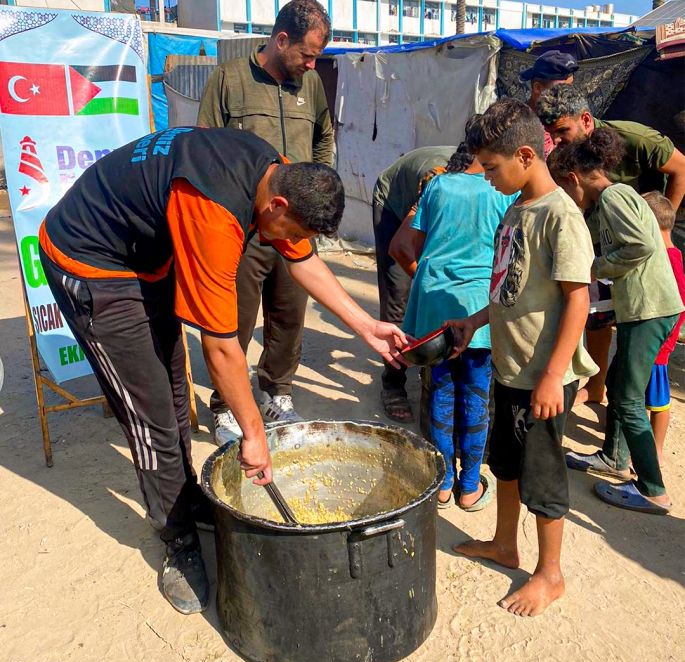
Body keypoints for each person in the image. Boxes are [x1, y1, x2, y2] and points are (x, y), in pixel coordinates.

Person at [38, 127, 408, 615]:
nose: (290, 243)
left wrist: (366, 326)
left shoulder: (276, 171)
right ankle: (178, 540)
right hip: (90, 264)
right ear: (276, 206)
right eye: (292, 231)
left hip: (146, 260)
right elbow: (221, 348)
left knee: (174, 393)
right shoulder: (212, 213)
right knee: (150, 414)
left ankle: (187, 498)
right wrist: (254, 433)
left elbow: (303, 260)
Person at [450, 99, 598, 616]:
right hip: (511, 368)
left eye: (491, 166)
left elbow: (578, 298)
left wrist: (555, 376)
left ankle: (550, 573)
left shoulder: (561, 217)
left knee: (543, 478)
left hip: (544, 379)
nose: (486, 176)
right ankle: (505, 544)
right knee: (506, 465)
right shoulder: (515, 210)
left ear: (527, 154)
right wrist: (474, 322)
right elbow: (510, 290)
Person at [197, 0, 334, 444]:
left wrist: (314, 192)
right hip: (244, 228)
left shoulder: (309, 84)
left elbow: (324, 135)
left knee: (290, 316)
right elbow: (205, 149)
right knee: (233, 320)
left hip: (292, 225)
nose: (312, 65)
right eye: (306, 54)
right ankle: (225, 409)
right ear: (281, 40)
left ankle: (277, 392)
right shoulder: (230, 79)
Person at [551, 129, 684, 515]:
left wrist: (597, 268)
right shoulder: (606, 204)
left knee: (627, 399)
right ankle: (613, 457)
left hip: (650, 309)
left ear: (574, 178)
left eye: (565, 188)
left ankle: (652, 489)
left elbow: (641, 246)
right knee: (616, 382)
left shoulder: (615, 196)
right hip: (638, 309)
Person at [537, 83, 685, 406]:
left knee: (638, 328)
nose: (557, 141)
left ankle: (635, 408)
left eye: (563, 130)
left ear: (587, 121)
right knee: (598, 315)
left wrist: (662, 231)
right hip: (598, 245)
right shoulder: (564, 158)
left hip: (639, 250)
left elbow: (681, 169)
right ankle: (597, 384)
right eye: (552, 133)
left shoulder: (634, 139)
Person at [400, 132, 513, 510]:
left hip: (435, 302)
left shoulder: (436, 185)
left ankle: (443, 483)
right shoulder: (504, 190)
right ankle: (469, 487)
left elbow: (415, 246)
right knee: (477, 397)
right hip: (480, 305)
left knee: (440, 392)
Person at [372, 145, 455, 423]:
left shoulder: (495, 184)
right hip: (393, 204)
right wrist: (427, 287)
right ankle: (393, 383)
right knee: (399, 293)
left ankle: (426, 363)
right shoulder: (436, 180)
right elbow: (401, 248)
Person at [642, 191, 685, 466]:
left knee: (658, 401)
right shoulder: (668, 254)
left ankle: (655, 449)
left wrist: (664, 345)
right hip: (652, 341)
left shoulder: (669, 261)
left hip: (658, 346)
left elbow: (677, 308)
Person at [519, 49, 578, 159]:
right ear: (538, 88)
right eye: (561, 89)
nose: (569, 95)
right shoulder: (518, 124)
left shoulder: (570, 120)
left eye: (570, 87)